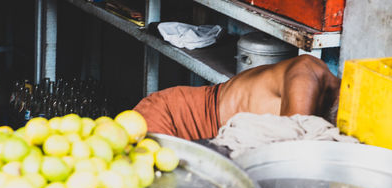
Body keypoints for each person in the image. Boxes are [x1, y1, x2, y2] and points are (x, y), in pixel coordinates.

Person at [133, 55, 341, 140]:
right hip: (174, 116)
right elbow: (291, 152)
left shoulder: (326, 111)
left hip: (212, 143)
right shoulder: (307, 74)